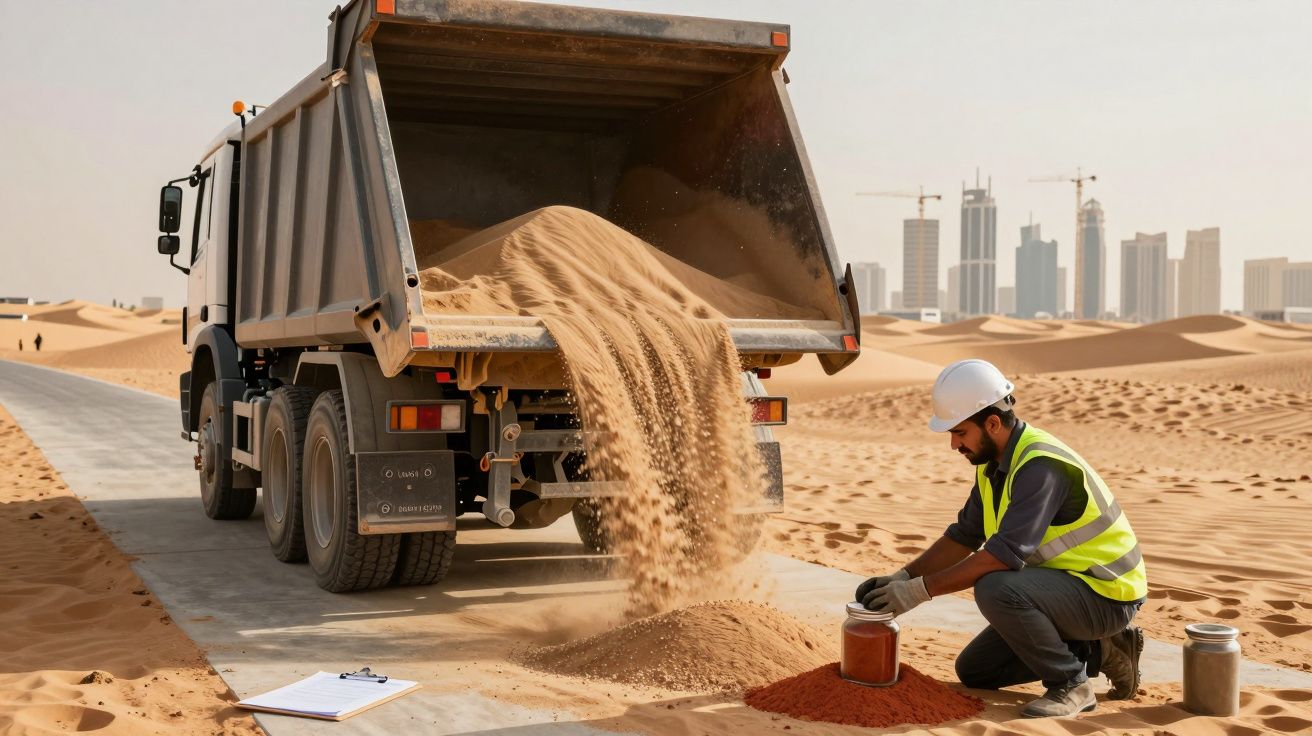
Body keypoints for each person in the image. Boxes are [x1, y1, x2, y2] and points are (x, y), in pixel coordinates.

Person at [855, 359, 1147, 718]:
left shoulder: (1040, 467)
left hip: (1107, 594)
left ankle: (1072, 684)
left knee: (995, 587)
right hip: (1067, 589)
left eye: (960, 433)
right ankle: (1102, 651)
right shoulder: (994, 465)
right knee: (976, 671)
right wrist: (902, 577)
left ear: (992, 423)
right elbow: (963, 537)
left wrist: (919, 591)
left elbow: (1000, 557)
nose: (953, 445)